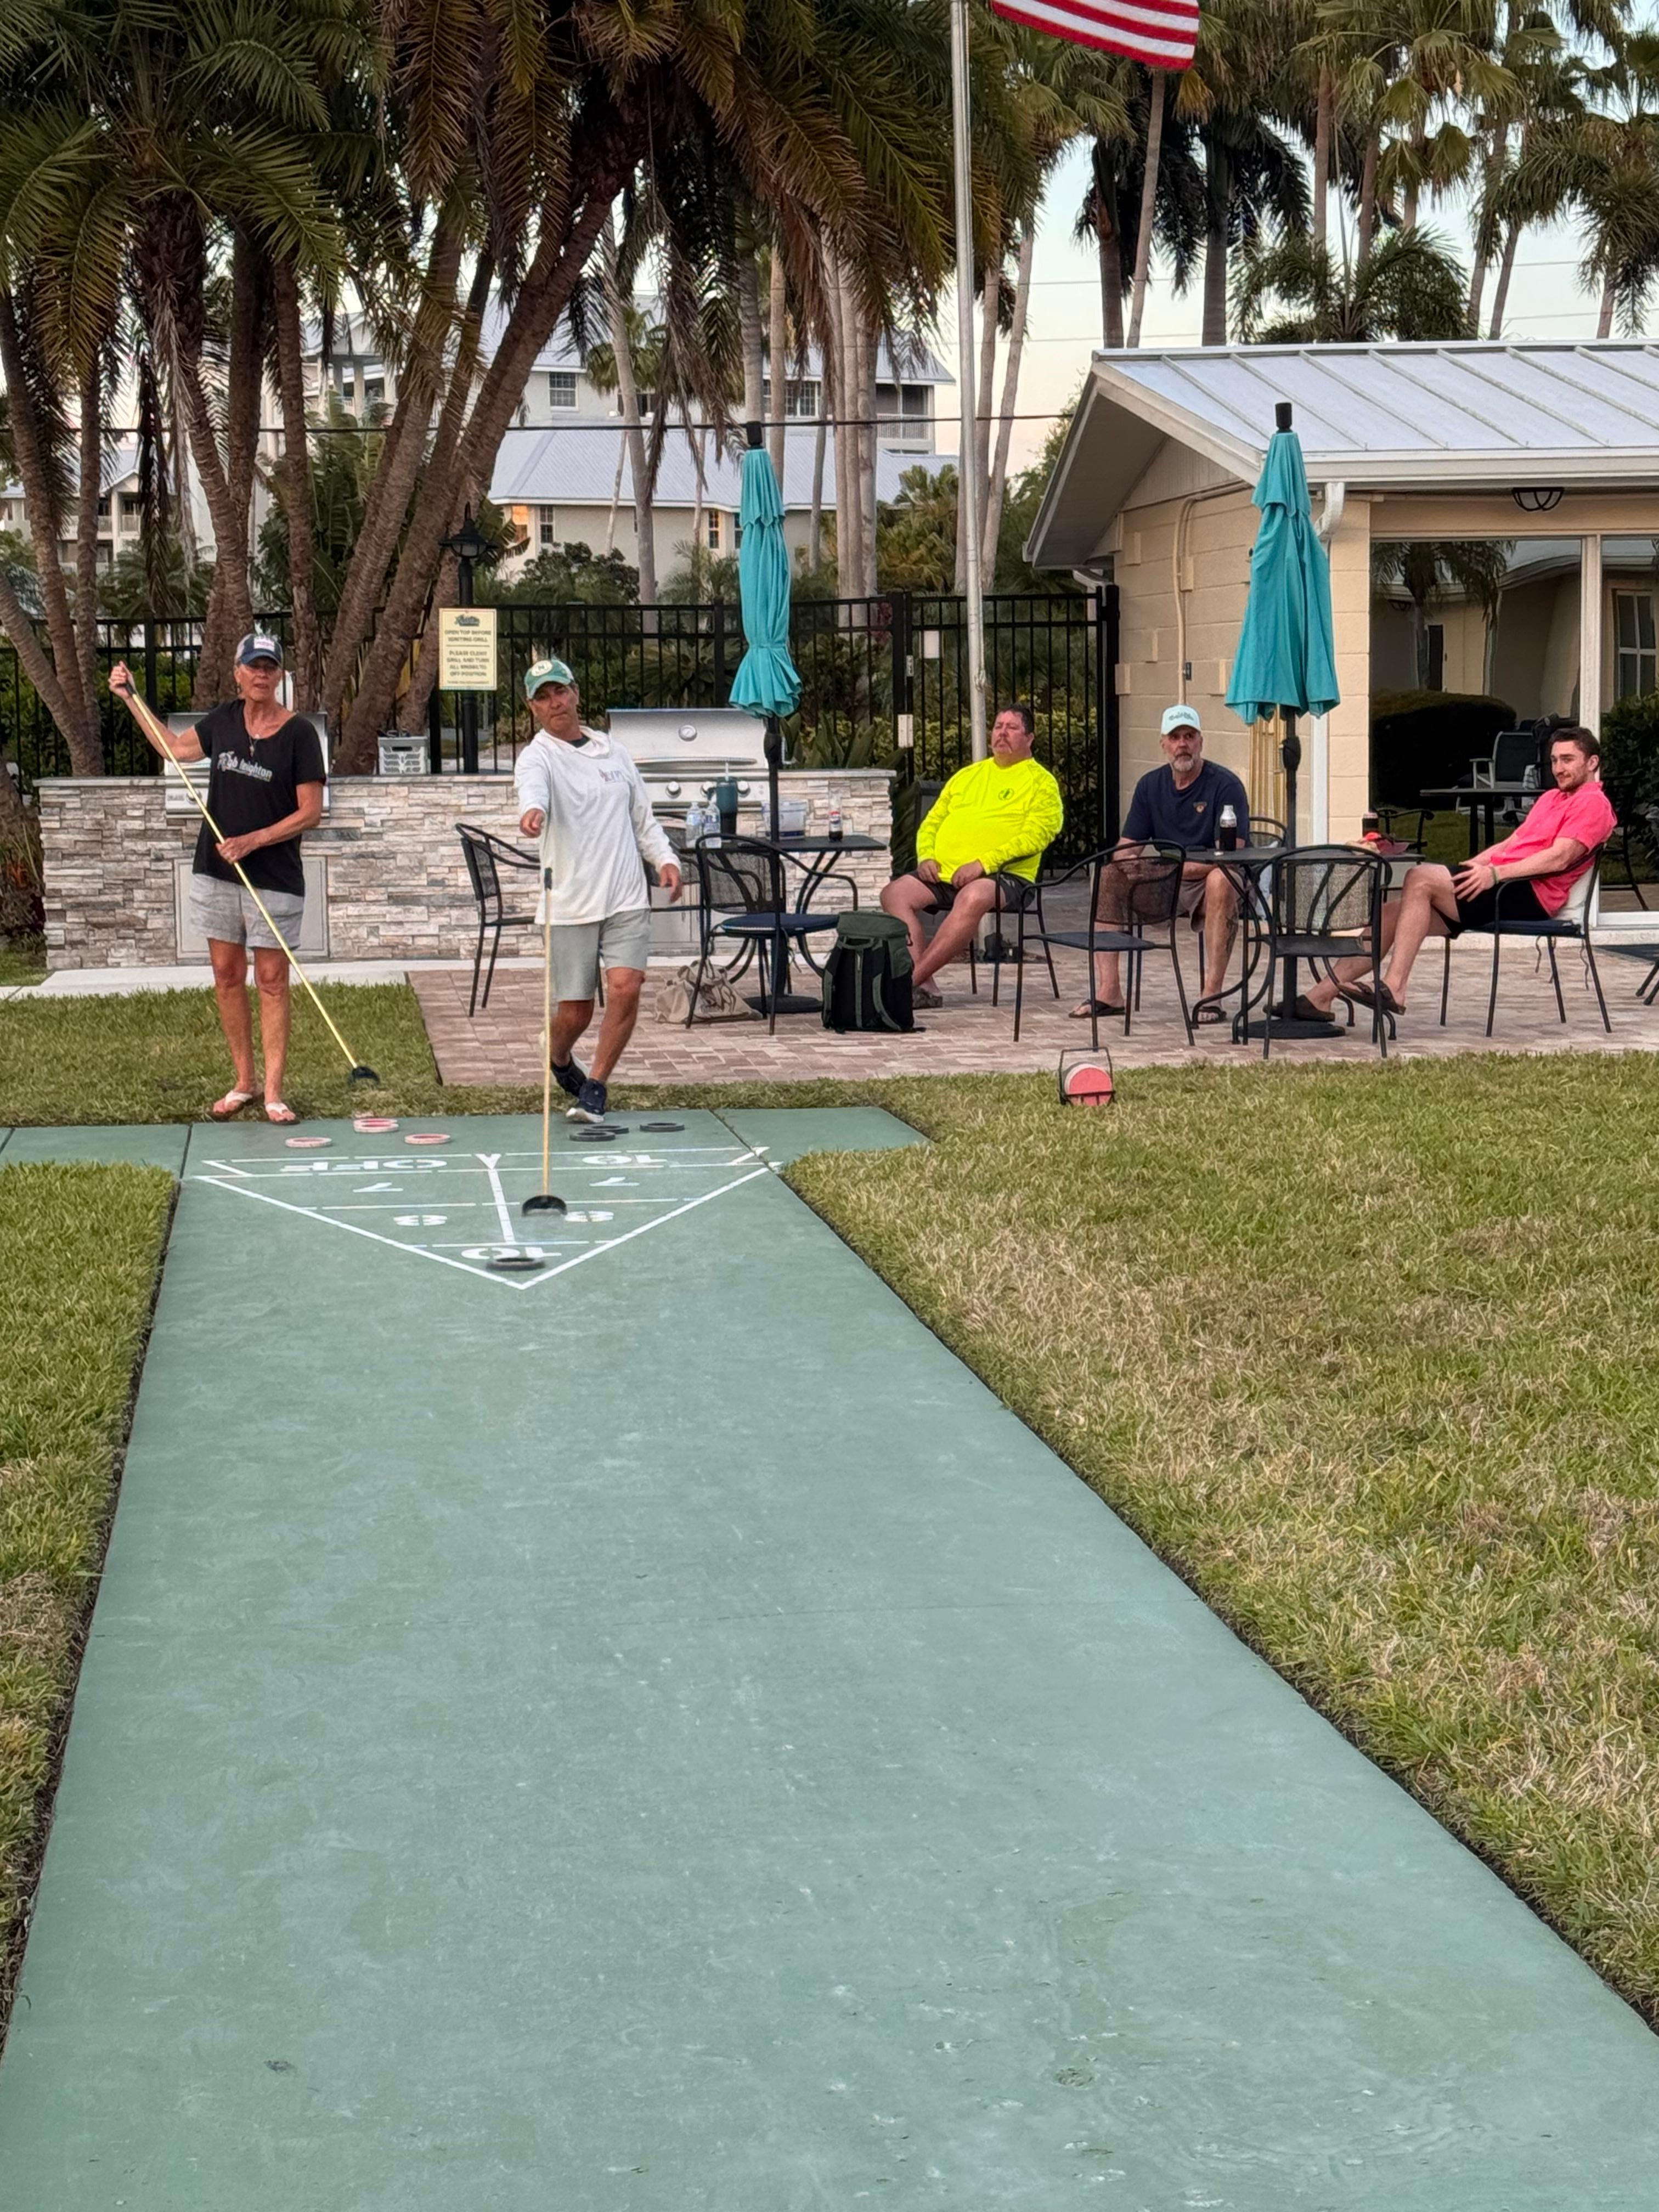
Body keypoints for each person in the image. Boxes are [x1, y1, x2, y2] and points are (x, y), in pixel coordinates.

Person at [111, 633, 325, 1124]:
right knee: (228, 977)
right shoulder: (224, 722)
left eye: (270, 667)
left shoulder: (298, 735)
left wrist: (254, 840)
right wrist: (131, 699)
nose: (261, 675)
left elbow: (310, 812)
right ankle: (243, 1083)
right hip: (217, 871)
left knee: (271, 981)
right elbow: (174, 751)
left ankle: (273, 1092)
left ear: (279, 676)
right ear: (238, 672)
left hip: (272, 875)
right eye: (254, 666)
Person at [1302, 725, 1616, 1019]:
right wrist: (1475, 867)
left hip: (1528, 894)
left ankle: (1395, 987)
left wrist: (1494, 875)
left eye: (1568, 760)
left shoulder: (1593, 804)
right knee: (1390, 913)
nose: (1559, 768)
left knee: (1419, 878)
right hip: (1503, 883)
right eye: (1554, 761)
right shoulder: (1552, 798)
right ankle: (1320, 997)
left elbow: (1559, 859)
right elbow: (1511, 843)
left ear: (1592, 763)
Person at [515, 656, 681, 1123]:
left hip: (626, 895)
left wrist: (664, 859)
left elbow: (642, 817)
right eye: (544, 697)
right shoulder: (537, 757)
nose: (556, 702)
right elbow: (534, 790)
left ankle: (597, 1087)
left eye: (561, 691)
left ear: (575, 693)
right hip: (570, 900)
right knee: (576, 1013)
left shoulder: (614, 751)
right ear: (534, 707)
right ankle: (560, 1057)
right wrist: (533, 813)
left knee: (627, 987)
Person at [1077, 703, 1251, 1024]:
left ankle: (1210, 996)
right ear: (1164, 744)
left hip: (1215, 877)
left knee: (1222, 880)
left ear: (1201, 741)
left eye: (1189, 736)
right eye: (1175, 737)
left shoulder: (1225, 785)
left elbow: (1230, 855)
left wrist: (1172, 868)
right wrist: (1128, 863)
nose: (1182, 744)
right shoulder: (1149, 785)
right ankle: (1109, 992)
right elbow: (1127, 848)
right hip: (1167, 879)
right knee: (1107, 876)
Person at [879, 703, 1063, 1008]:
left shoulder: (1042, 783)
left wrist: (983, 864)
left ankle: (909, 981)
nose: (1002, 733)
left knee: (973, 896)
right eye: (997, 727)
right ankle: (924, 985)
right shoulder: (968, 776)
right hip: (944, 872)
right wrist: (926, 856)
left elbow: (1038, 835)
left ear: (1030, 737)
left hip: (1005, 877)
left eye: (1012, 728)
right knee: (894, 894)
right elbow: (933, 822)